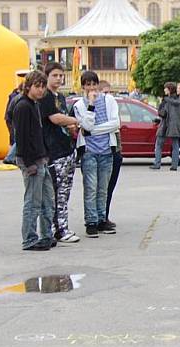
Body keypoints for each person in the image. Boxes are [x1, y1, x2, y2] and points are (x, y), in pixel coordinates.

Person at [71, 70, 120, 238]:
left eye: (94, 84)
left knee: (103, 188)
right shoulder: (79, 105)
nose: (91, 88)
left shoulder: (109, 100)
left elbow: (115, 124)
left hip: (107, 150)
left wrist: (92, 131)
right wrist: (91, 105)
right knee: (90, 188)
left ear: (98, 85)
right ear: (83, 86)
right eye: (88, 84)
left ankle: (101, 219)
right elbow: (86, 125)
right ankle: (91, 222)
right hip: (89, 152)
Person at [13, 70, 55, 251]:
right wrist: (29, 163)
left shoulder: (34, 104)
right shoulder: (23, 106)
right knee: (33, 201)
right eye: (37, 86)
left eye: (42, 87)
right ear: (28, 86)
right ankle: (29, 238)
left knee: (48, 200)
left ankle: (47, 234)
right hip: (31, 160)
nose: (40, 90)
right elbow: (21, 138)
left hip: (41, 158)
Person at [40, 62, 81, 243]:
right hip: (54, 152)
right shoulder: (46, 97)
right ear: (47, 76)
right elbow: (55, 118)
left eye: (60, 75)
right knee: (56, 193)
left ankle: (62, 227)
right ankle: (55, 229)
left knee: (65, 192)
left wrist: (72, 127)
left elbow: (64, 120)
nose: (58, 78)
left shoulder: (61, 97)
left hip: (67, 149)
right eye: (54, 75)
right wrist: (74, 119)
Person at [99, 80, 122, 227]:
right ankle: (98, 217)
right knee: (101, 187)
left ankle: (105, 215)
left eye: (109, 93)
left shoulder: (112, 106)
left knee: (110, 185)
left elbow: (116, 125)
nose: (108, 96)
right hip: (101, 150)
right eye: (105, 93)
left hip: (115, 148)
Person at [150, 82, 180, 171]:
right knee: (175, 145)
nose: (164, 90)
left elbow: (163, 113)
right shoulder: (179, 101)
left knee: (159, 144)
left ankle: (157, 163)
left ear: (169, 90)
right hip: (176, 125)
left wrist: (160, 110)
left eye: (165, 88)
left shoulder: (166, 101)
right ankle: (174, 165)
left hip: (165, 124)